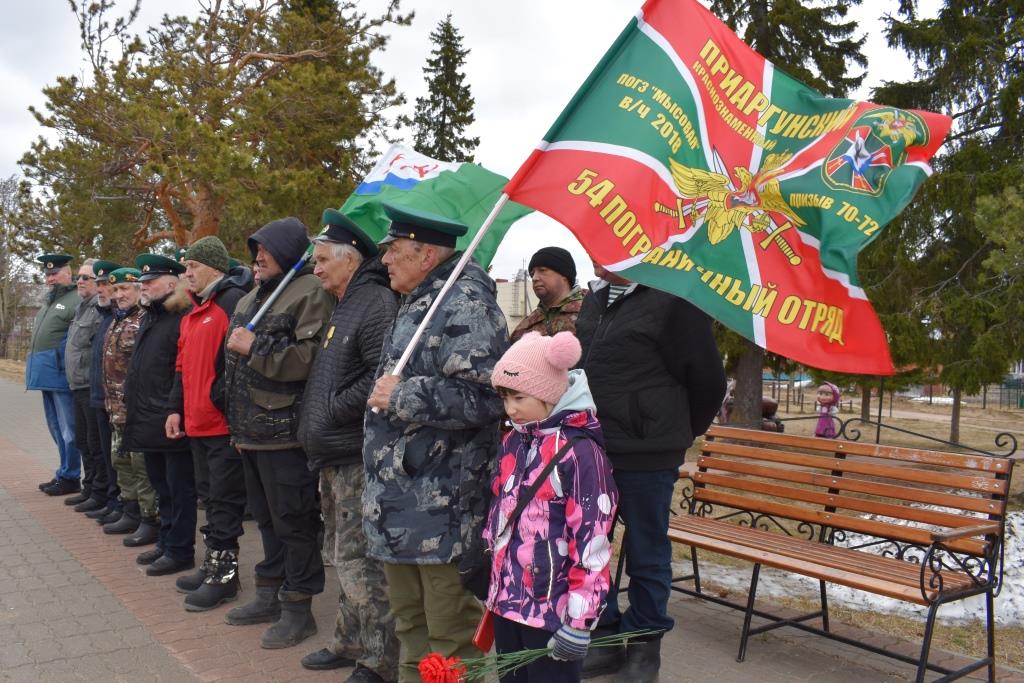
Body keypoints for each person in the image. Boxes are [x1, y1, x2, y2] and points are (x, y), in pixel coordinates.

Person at [363, 204, 508, 683]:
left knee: (450, 644)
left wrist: (403, 394)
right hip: (401, 507)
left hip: (443, 515)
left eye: (394, 251)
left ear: (426, 254)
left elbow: (491, 397)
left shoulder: (465, 302)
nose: (385, 260)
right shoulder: (422, 300)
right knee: (413, 632)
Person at [574, 264, 726, 682]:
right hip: (592, 447)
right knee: (590, 549)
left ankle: (644, 649)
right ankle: (603, 638)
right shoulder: (594, 299)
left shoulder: (674, 300)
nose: (594, 254)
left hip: (647, 454)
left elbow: (709, 382)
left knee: (645, 552)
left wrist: (672, 432)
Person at [297, 210, 400, 682]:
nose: (315, 268)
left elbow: (382, 375)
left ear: (349, 259)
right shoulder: (345, 303)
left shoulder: (375, 301)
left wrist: (335, 408)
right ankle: (348, 639)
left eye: (321, 261)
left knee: (361, 560)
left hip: (355, 452)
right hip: (333, 454)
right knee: (343, 555)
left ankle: (378, 661)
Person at [222, 217, 333, 650]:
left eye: (265, 250)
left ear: (288, 250)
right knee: (266, 521)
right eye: (254, 251)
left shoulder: (309, 293)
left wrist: (258, 350)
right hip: (248, 430)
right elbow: (231, 363)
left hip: (284, 431)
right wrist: (234, 420)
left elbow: (310, 358)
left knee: (295, 521)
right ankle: (270, 590)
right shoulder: (252, 296)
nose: (257, 258)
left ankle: (299, 606)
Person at [484, 331, 618, 683]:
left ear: (548, 394)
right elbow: (502, 506)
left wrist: (580, 619)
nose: (510, 408)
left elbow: (593, 540)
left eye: (519, 397)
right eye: (504, 398)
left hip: (552, 610)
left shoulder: (580, 452)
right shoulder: (515, 439)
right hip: (507, 600)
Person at [167, 237, 253, 610]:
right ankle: (212, 564)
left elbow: (235, 367)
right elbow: (182, 367)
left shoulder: (229, 304)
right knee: (209, 498)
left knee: (223, 502)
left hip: (221, 426)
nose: (186, 274)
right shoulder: (193, 312)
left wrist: (225, 408)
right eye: (185, 267)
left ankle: (226, 575)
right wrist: (176, 409)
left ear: (215, 269)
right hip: (196, 424)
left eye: (193, 267)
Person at [122, 254, 195, 572]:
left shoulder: (181, 316)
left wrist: (172, 409)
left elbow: (181, 373)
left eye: (150, 282)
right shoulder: (151, 316)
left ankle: (180, 551)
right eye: (143, 282)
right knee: (161, 486)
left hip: (169, 420)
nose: (144, 287)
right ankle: (166, 542)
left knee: (179, 489)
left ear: (171, 283)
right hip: (148, 419)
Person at [100, 268, 159, 538]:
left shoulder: (144, 320)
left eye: (125, 288)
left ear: (138, 289)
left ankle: (150, 518)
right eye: (116, 290)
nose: (119, 294)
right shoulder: (117, 321)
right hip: (116, 410)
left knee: (142, 466)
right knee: (121, 461)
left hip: (137, 411)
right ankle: (130, 510)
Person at [29, 253, 82, 496]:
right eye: (48, 274)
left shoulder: (75, 299)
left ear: (68, 273)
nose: (50, 278)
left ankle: (71, 476)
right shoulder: (48, 302)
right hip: (44, 373)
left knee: (68, 430)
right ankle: (63, 471)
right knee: (55, 428)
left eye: (55, 273)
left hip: (61, 374)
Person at [63, 259, 109, 512]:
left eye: (86, 278)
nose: (80, 281)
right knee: (83, 440)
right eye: (79, 277)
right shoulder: (82, 307)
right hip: (77, 385)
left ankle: (99, 492)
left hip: (91, 386)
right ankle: (90, 486)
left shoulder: (100, 308)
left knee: (95, 442)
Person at [84, 261, 123, 524]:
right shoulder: (105, 317)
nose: (101, 289)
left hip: (116, 401)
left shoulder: (121, 318)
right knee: (102, 451)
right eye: (98, 284)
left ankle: (119, 503)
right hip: (98, 396)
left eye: (105, 284)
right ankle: (110, 499)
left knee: (117, 457)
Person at [510, 246, 585, 342]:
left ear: (564, 275)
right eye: (532, 273)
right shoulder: (524, 328)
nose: (534, 278)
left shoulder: (591, 315)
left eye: (542, 270)